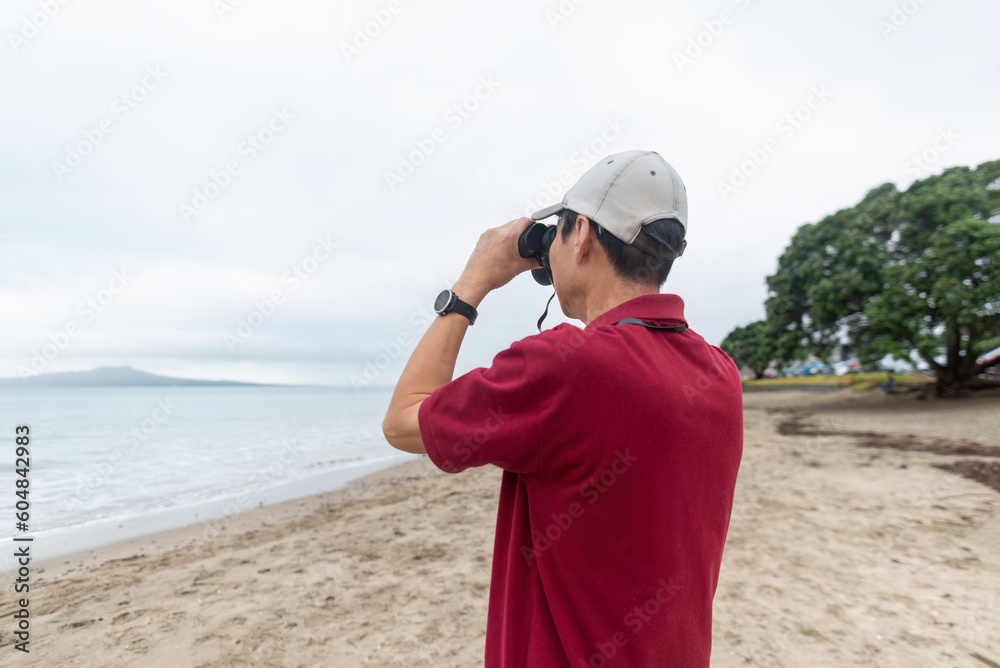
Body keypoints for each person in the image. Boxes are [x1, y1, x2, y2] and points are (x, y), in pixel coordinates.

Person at [382, 150, 744, 667]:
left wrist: (471, 284)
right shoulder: (719, 374)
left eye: (558, 231)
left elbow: (401, 421)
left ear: (584, 237)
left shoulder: (563, 366)